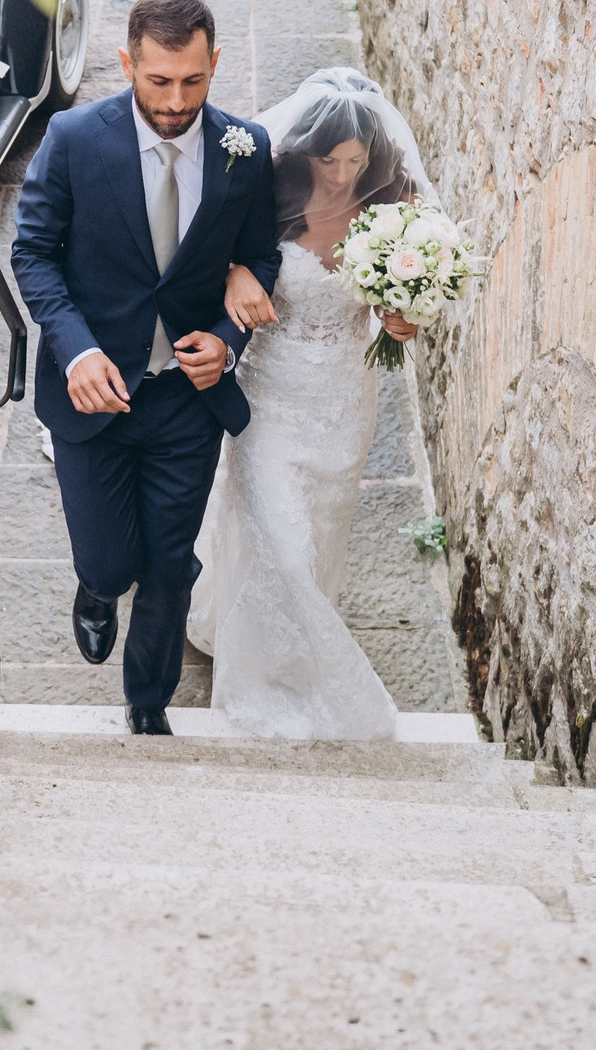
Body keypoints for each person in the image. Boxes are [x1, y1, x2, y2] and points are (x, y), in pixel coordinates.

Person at [10, 0, 281, 735]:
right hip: (92, 395)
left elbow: (260, 255)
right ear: (128, 62)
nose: (175, 100)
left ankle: (148, 702)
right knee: (108, 559)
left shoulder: (246, 150)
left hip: (186, 401)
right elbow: (32, 254)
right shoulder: (72, 139)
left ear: (214, 65)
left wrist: (228, 336)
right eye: (158, 80)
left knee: (169, 561)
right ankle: (95, 588)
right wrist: (76, 346)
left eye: (192, 81)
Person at [184, 69, 430, 739]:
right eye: (331, 160)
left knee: (319, 527)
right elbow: (206, 258)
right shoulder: (268, 193)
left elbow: (396, 305)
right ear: (306, 152)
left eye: (356, 162)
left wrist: (401, 317)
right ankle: (282, 679)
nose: (343, 175)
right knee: (280, 539)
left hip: (345, 397)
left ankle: (288, 630)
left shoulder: (393, 206)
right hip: (270, 394)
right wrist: (235, 273)